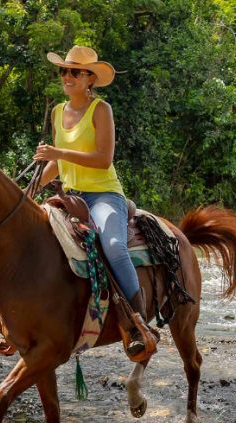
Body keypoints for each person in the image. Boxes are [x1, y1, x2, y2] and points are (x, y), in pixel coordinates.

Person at [34, 45, 150, 358]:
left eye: (74, 71)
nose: (67, 77)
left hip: (102, 194)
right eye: (63, 71)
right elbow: (56, 165)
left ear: (90, 79)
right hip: (70, 196)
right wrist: (29, 192)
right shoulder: (58, 111)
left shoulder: (101, 110)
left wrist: (58, 153)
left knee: (113, 244)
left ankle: (137, 321)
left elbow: (102, 158)